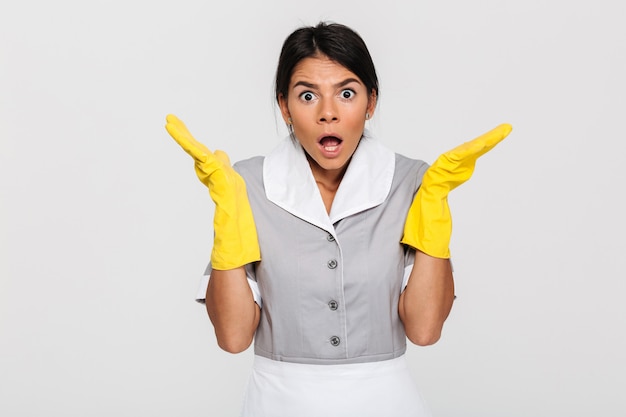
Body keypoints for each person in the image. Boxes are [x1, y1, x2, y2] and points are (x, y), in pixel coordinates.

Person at [165, 21, 511, 417]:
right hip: (278, 402)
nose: (328, 113)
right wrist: (228, 213)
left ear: (371, 103)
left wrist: (433, 204)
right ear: (284, 107)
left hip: (386, 402)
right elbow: (233, 337)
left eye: (347, 93)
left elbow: (425, 330)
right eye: (308, 95)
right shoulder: (245, 185)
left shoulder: (414, 182)